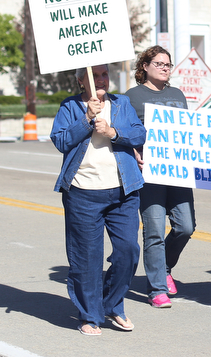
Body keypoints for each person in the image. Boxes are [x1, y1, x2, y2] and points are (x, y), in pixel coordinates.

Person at [50, 64, 146, 336]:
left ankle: (112, 304)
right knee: (86, 259)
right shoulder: (69, 107)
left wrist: (113, 133)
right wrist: (87, 119)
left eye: (105, 74)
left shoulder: (122, 103)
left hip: (123, 191)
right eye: (95, 75)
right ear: (82, 81)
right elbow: (60, 141)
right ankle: (90, 315)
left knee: (127, 251)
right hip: (83, 193)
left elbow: (140, 133)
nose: (102, 79)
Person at [125, 46, 196, 308]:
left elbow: (189, 133)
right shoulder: (132, 96)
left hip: (178, 172)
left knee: (185, 226)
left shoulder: (177, 94)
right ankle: (156, 288)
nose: (166, 68)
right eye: (160, 63)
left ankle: (164, 267)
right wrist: (132, 152)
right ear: (144, 66)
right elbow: (124, 131)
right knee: (154, 230)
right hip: (150, 174)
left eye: (168, 64)